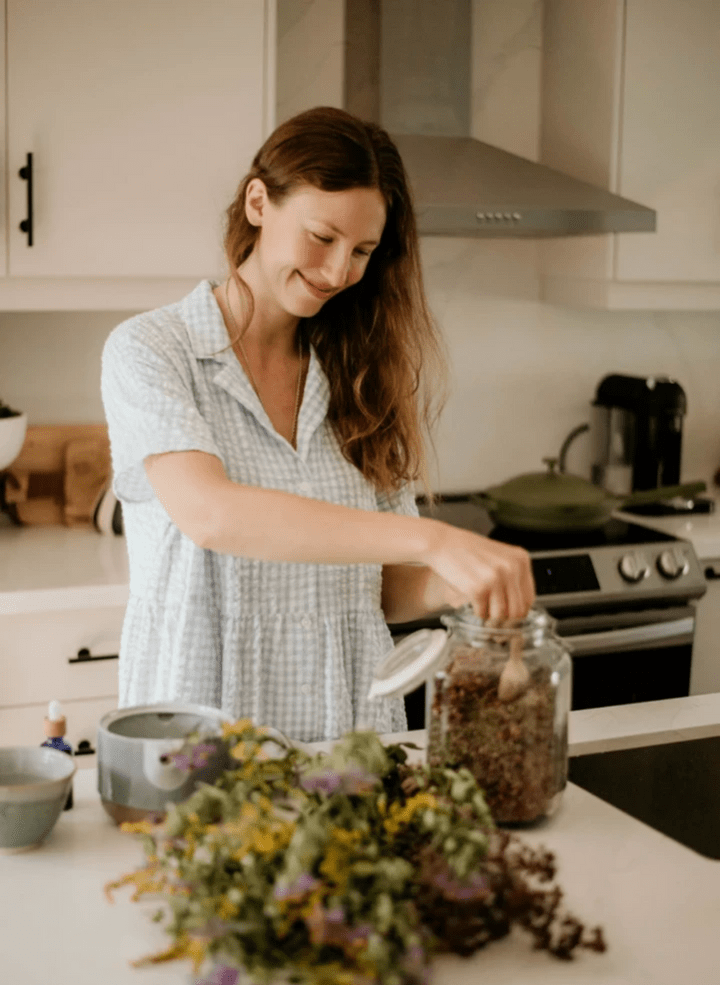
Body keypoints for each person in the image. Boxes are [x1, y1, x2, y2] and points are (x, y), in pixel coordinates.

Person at [101, 106, 535, 741]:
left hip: (350, 735)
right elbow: (212, 515)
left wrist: (461, 581)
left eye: (362, 251)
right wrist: (436, 540)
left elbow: (384, 588)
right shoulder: (151, 350)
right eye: (322, 237)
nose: (339, 272)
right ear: (257, 202)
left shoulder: (357, 372)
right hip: (204, 739)